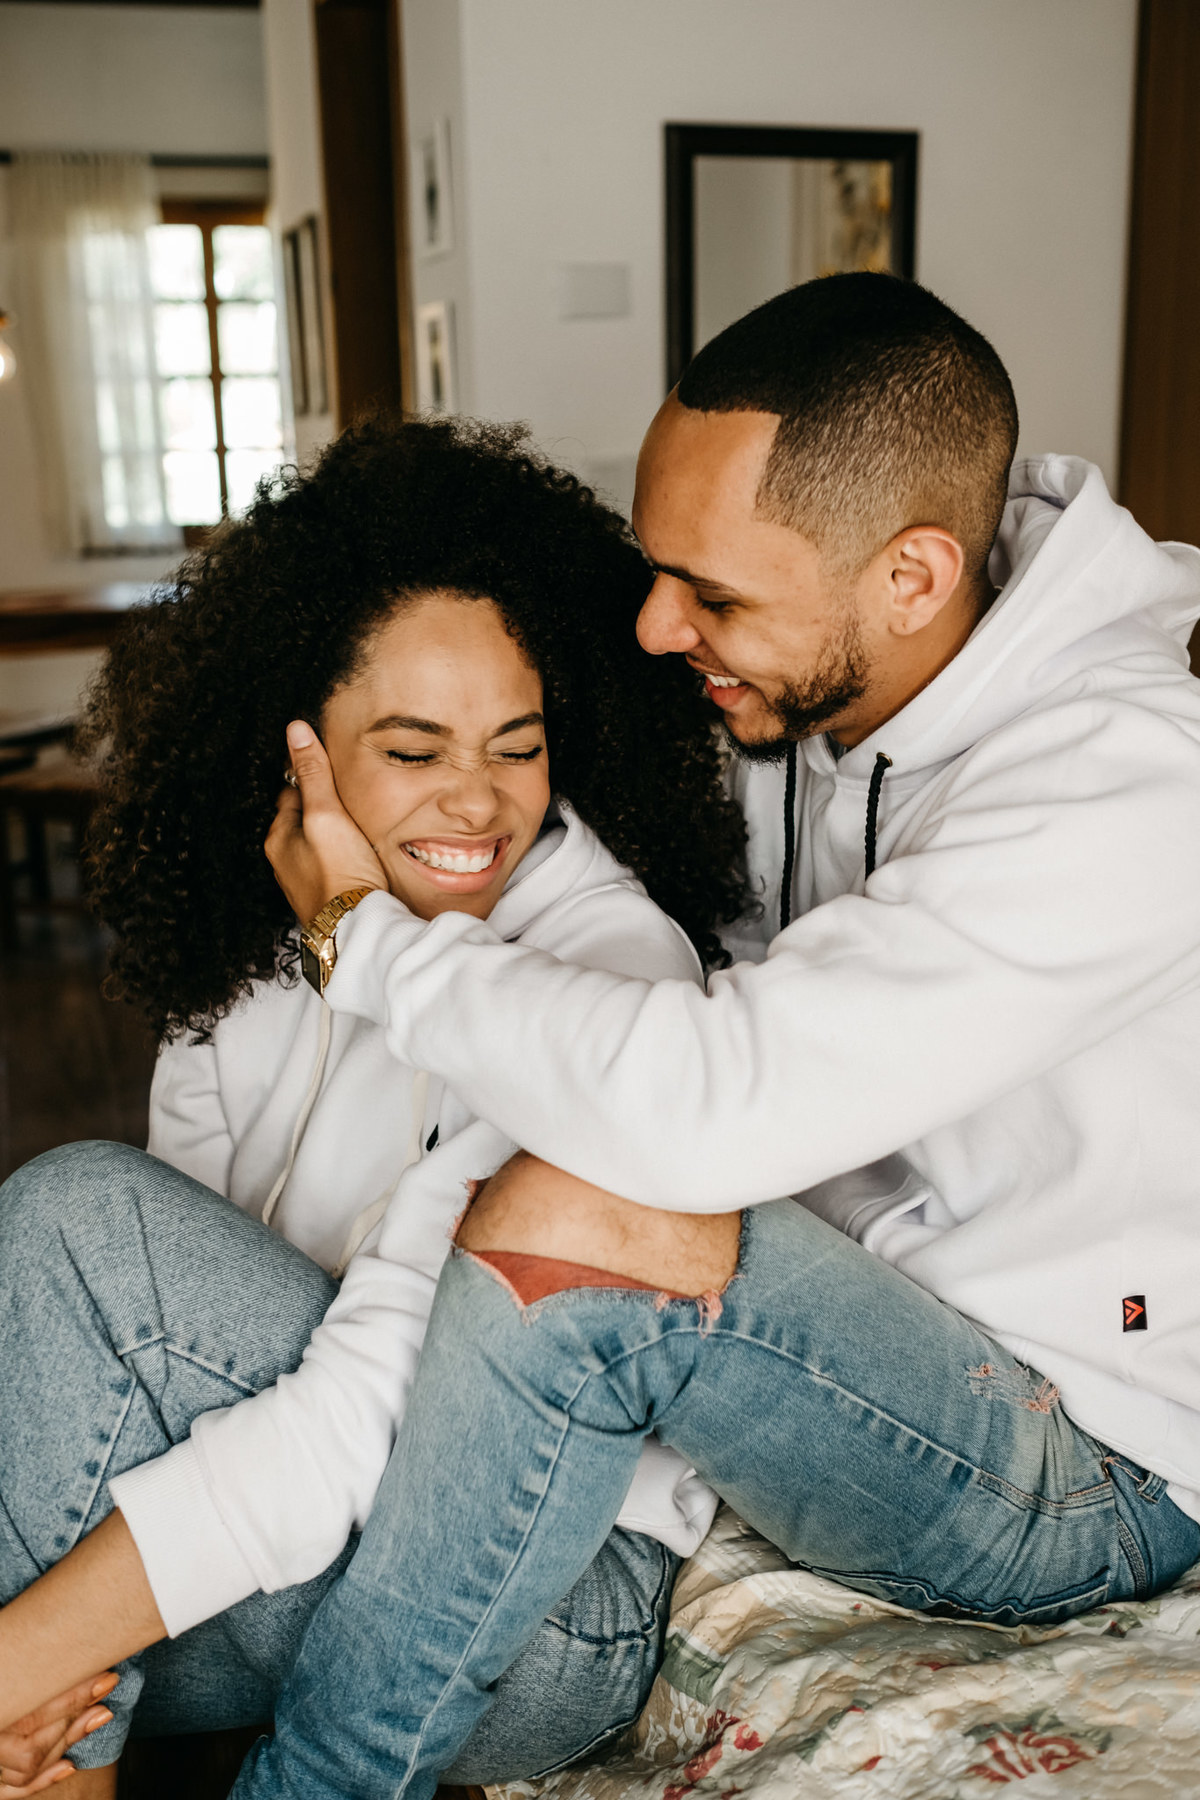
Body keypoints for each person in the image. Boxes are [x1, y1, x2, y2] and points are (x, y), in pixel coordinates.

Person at [214, 270, 1200, 1797]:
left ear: (915, 575)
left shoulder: (1126, 785)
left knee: (576, 1213)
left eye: (715, 595)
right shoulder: (829, 693)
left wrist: (372, 950)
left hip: (1095, 1454)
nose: (658, 623)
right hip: (879, 1338)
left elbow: (702, 1106)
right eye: (658, 566)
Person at [0, 414, 749, 1795]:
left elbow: (372, 1417)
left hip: (537, 1595)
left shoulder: (604, 972)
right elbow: (155, 1347)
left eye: (517, 748)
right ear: (300, 751)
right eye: (413, 751)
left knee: (65, 1222)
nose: (479, 801)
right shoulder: (259, 916)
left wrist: (18, 1659)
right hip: (320, 1498)